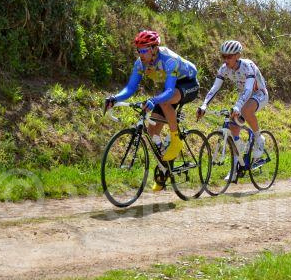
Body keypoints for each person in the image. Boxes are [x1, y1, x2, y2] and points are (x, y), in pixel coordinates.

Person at [104, 30, 199, 186]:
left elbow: (168, 91)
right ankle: (164, 169)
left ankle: (176, 140)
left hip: (188, 84)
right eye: (138, 50)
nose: (140, 53)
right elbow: (130, 88)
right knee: (152, 131)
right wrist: (115, 98)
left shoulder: (169, 60)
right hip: (171, 89)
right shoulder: (140, 63)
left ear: (154, 48)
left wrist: (153, 100)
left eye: (144, 50)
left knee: (164, 101)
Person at [197, 40, 269, 159]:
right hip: (244, 97)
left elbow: (249, 88)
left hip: (259, 94)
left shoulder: (248, 66)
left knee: (246, 110)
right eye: (223, 56)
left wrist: (238, 106)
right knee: (233, 127)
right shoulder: (224, 69)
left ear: (237, 55)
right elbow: (215, 87)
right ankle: (237, 163)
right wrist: (204, 105)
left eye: (229, 57)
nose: (226, 60)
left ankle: (259, 138)